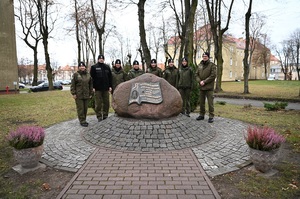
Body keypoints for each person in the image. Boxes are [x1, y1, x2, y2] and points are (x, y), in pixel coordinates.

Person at [195, 52, 217, 123]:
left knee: (210, 103)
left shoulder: (212, 65)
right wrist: (200, 81)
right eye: (203, 56)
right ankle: (201, 114)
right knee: (201, 102)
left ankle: (211, 116)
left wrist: (204, 81)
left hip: (209, 87)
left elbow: (213, 75)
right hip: (201, 87)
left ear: (208, 57)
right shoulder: (200, 65)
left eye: (206, 56)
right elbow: (196, 75)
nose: (204, 57)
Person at [70, 62, 93, 127]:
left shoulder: (88, 75)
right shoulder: (76, 75)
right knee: (81, 108)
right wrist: (73, 93)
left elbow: (91, 84)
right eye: (80, 66)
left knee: (85, 108)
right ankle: (82, 121)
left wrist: (91, 93)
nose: (82, 67)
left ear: (85, 67)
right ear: (79, 67)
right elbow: (72, 85)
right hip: (79, 94)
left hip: (86, 94)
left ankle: (84, 119)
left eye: (83, 66)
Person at [90, 55, 112, 121]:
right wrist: (93, 87)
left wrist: (110, 86)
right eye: (100, 58)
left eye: (102, 58)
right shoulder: (94, 67)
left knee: (106, 103)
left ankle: (105, 115)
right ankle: (99, 116)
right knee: (98, 104)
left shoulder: (107, 67)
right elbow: (91, 78)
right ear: (98, 59)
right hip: (97, 89)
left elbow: (110, 78)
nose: (101, 59)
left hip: (106, 88)